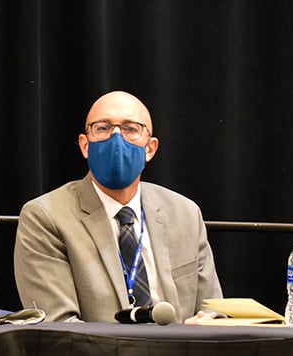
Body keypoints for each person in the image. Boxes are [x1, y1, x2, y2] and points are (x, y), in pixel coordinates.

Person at [14, 90, 222, 322]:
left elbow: (213, 312)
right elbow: (61, 330)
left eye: (130, 129)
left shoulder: (185, 214)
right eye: (102, 128)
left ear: (150, 148)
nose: (116, 138)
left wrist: (202, 329)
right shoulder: (46, 216)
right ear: (85, 145)